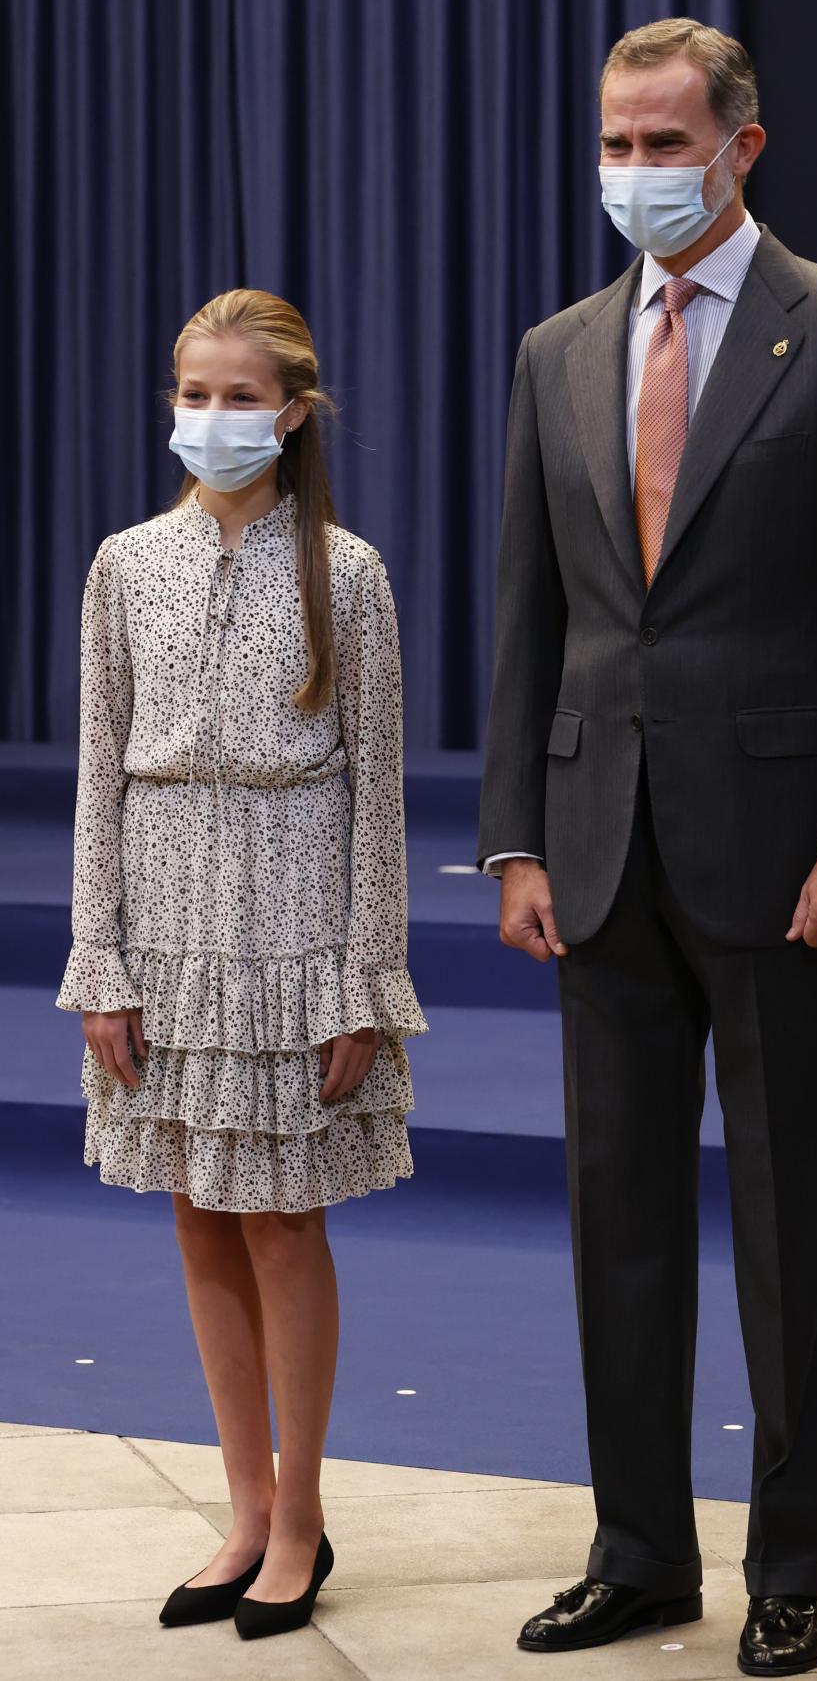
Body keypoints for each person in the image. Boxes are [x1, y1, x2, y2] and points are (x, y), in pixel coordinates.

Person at [476, 16, 817, 1679]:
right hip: (596, 847)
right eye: (615, 144)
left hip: (786, 859)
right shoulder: (554, 351)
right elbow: (530, 612)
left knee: (792, 1228)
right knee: (617, 1224)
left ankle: (791, 1568)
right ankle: (639, 1554)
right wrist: (514, 837)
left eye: (664, 143)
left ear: (742, 146)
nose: (635, 172)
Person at [55, 288, 427, 1641]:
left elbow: (378, 791)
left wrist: (363, 979)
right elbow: (99, 772)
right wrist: (100, 958)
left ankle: (305, 1515)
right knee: (198, 1212)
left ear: (293, 412)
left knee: (281, 1218)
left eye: (238, 397)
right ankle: (245, 1507)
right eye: (193, 394)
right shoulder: (124, 565)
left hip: (292, 930)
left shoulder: (349, 574)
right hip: (162, 929)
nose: (210, 417)